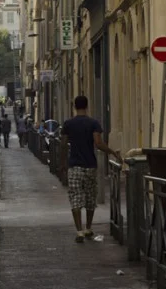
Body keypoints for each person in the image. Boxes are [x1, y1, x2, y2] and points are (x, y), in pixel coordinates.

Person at [62, 95, 122, 243]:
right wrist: (113, 152)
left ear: (74, 107)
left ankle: (79, 231)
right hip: (90, 165)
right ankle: (88, 227)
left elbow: (63, 144)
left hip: (74, 165)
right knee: (90, 197)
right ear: (87, 106)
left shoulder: (68, 124)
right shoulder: (93, 123)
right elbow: (98, 143)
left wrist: (63, 164)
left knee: (75, 198)